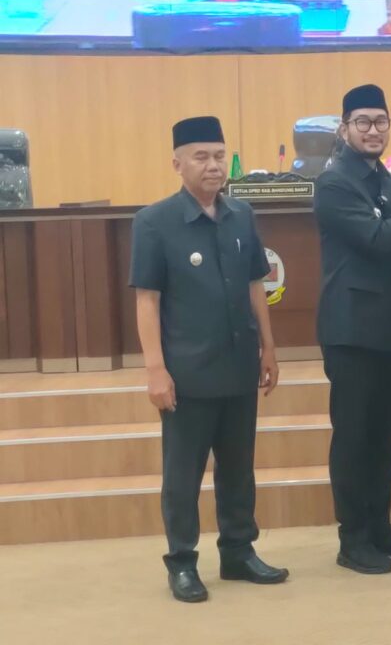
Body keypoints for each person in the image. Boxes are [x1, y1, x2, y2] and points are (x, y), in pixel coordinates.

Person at [130, 116, 288, 603]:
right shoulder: (154, 222)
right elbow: (147, 300)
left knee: (238, 468)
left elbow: (255, 284)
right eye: (201, 157)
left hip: (239, 365)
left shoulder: (241, 214)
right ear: (177, 164)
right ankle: (182, 562)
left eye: (219, 155)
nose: (213, 165)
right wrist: (155, 369)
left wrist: (268, 346)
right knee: (183, 475)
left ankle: (238, 551)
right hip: (187, 371)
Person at [314, 84, 391, 575]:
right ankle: (353, 539)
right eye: (362, 121)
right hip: (349, 329)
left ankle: (380, 526)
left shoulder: (387, 182)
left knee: (385, 432)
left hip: (388, 325)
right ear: (344, 128)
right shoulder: (333, 183)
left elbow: (388, 252)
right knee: (353, 435)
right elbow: (374, 237)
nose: (373, 130)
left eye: (381, 121)